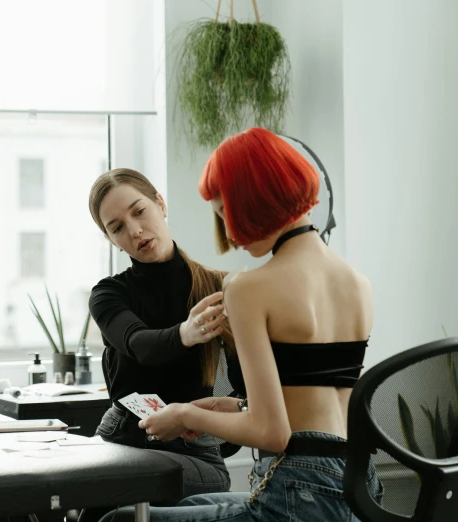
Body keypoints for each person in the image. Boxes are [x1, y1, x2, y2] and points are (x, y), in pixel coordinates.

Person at [100, 128, 383, 521]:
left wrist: (185, 415)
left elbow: (273, 434)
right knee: (191, 506)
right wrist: (235, 406)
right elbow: (315, 394)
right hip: (359, 485)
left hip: (299, 489)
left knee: (120, 520)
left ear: (252, 199)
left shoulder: (249, 287)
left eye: (223, 212)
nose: (230, 233)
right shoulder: (358, 283)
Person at [87, 168, 242, 510]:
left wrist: (208, 421)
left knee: (113, 492)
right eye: (117, 228)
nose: (135, 230)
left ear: (160, 203)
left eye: (139, 211)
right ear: (111, 239)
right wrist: (185, 333)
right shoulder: (108, 295)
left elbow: (246, 388)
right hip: (123, 440)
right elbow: (140, 344)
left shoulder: (221, 288)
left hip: (194, 452)